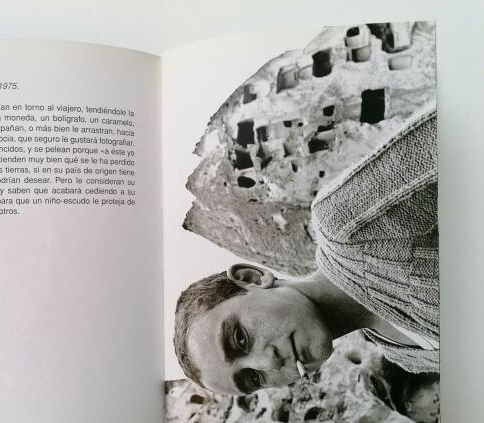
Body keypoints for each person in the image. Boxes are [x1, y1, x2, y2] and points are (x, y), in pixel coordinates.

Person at [174, 107, 438, 396]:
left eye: (240, 339)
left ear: (252, 278)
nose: (269, 364)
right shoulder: (406, 356)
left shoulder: (344, 224)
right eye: (253, 378)